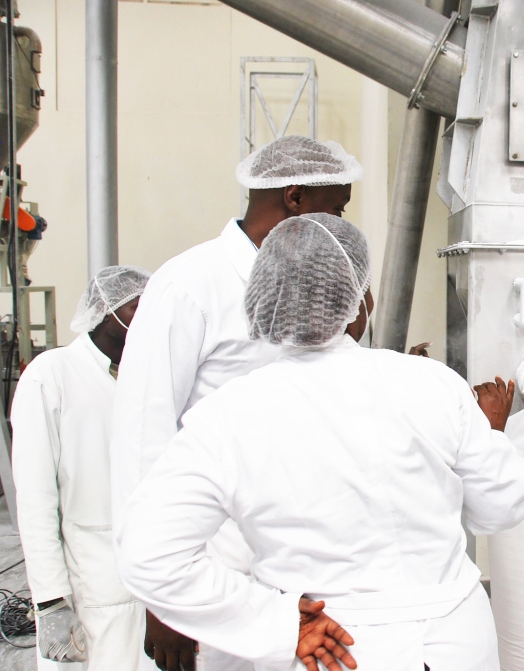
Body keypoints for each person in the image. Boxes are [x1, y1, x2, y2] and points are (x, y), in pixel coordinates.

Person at [115, 213, 524, 671]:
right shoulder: (433, 384)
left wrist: (275, 624)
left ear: (263, 302)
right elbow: (504, 506)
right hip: (455, 644)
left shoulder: (226, 415)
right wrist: (492, 436)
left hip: (331, 648)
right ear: (361, 301)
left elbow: (148, 555)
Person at [110, 135, 364, 671]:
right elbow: (142, 436)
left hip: (307, 548)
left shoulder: (319, 281)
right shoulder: (189, 285)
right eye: (336, 208)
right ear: (294, 198)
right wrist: (163, 602)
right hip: (221, 558)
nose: (342, 226)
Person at [12, 266, 151, 670]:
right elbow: (36, 499)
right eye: (138, 306)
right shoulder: (51, 375)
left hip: (149, 582)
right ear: (108, 311)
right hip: (89, 587)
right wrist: (51, 602)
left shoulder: (145, 376)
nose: (151, 315)